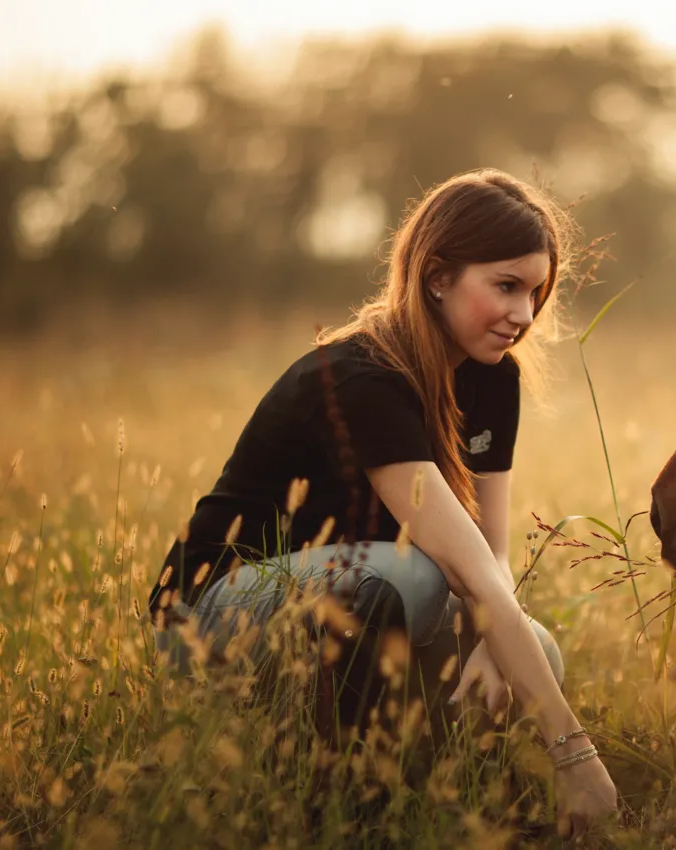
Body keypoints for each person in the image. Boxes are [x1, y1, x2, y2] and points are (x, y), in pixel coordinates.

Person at [147, 168, 618, 837]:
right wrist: (574, 753)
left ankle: (450, 802)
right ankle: (345, 803)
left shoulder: (493, 378)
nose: (525, 313)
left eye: (536, 292)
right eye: (506, 286)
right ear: (437, 277)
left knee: (535, 650)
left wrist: (489, 640)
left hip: (358, 600)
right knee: (417, 578)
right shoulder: (360, 377)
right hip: (210, 615)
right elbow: (464, 572)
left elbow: (492, 556)